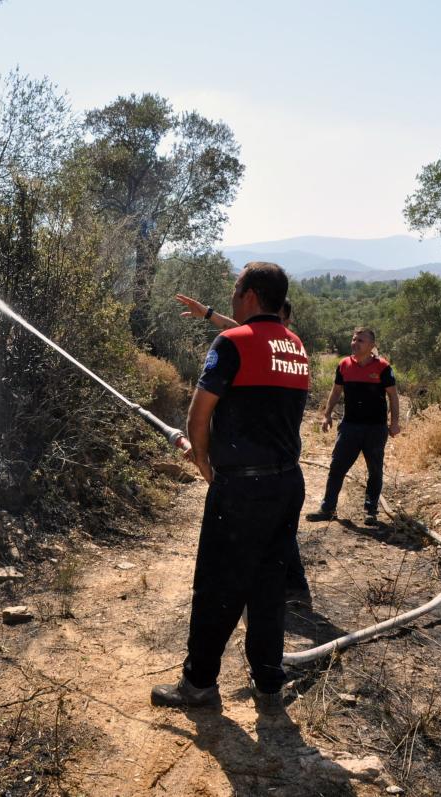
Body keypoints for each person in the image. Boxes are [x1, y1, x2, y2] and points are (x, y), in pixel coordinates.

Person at [152, 262, 310, 711]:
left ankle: (198, 684)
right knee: (268, 586)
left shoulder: (233, 342)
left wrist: (203, 460)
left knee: (217, 586)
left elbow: (198, 415)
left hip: (241, 490)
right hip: (286, 485)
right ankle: (268, 684)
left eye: (236, 289)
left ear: (252, 295)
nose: (233, 297)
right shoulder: (294, 345)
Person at [306, 328, 401, 526]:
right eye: (354, 339)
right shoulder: (344, 365)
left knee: (374, 470)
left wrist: (394, 423)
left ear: (372, 346)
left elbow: (393, 396)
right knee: (337, 466)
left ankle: (371, 510)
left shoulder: (383, 367)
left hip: (375, 428)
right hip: (350, 426)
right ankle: (328, 508)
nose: (355, 343)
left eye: (361, 341)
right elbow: (336, 391)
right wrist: (327, 414)